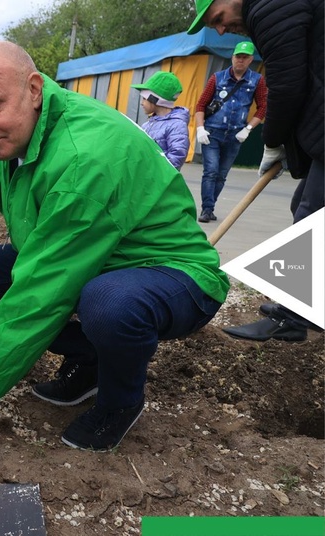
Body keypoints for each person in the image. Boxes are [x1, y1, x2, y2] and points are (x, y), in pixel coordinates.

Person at [0, 42, 228, 455]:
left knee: (108, 304)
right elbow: (22, 188)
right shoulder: (37, 127)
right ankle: (94, 360)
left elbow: (41, 292)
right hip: (99, 255)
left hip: (173, 272)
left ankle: (120, 401)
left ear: (32, 89)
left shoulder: (84, 158)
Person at [188, 0, 323, 341]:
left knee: (312, 215)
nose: (220, 29)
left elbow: (288, 84)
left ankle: (293, 317)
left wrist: (274, 140)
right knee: (302, 206)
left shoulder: (268, 7)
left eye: (217, 18)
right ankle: (309, 310)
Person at [194, 40, 267, 223]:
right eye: (237, 56)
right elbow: (201, 104)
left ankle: (210, 207)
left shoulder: (257, 81)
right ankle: (207, 209)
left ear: (251, 59)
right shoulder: (217, 78)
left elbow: (264, 107)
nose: (240, 61)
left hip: (236, 135)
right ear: (232, 57)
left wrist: (248, 128)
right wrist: (200, 128)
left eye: (244, 57)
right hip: (213, 132)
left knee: (221, 174)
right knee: (210, 171)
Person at [131, 71, 190, 170]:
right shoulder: (147, 124)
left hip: (158, 180)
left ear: (155, 99)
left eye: (144, 99)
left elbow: (177, 156)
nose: (141, 103)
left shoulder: (177, 125)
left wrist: (158, 175)